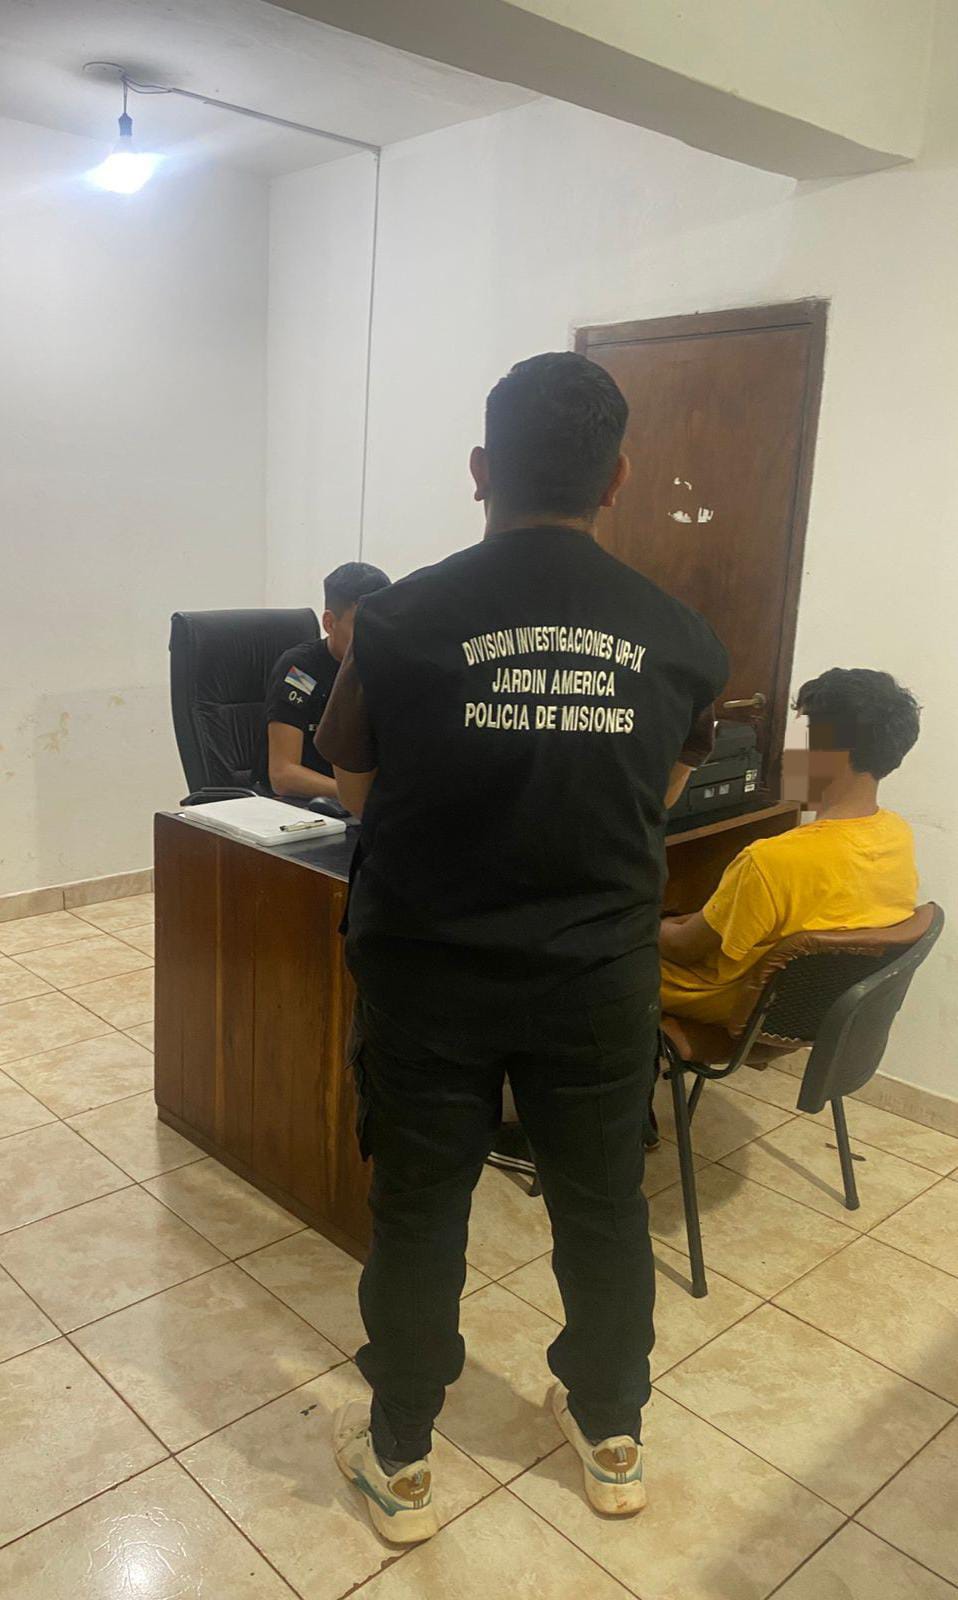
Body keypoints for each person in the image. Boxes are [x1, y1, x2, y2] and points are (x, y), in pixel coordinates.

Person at [316, 352, 728, 1543]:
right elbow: (656, 794)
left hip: (428, 976)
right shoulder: (682, 635)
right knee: (602, 1208)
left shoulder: (396, 620)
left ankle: (400, 1457)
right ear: (618, 477)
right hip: (594, 980)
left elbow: (358, 788)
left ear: (481, 470)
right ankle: (611, 1434)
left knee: (419, 1209)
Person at [659, 668, 920, 1027]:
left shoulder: (769, 861)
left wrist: (641, 921)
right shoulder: (897, 833)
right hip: (802, 1013)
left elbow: (682, 948)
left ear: (828, 747)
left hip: (724, 1001)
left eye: (807, 732)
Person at [252, 562, 390, 800]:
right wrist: (360, 796)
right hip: (296, 805)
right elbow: (283, 775)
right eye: (361, 625)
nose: (373, 636)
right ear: (329, 623)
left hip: (352, 804)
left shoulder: (384, 666)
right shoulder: (301, 672)